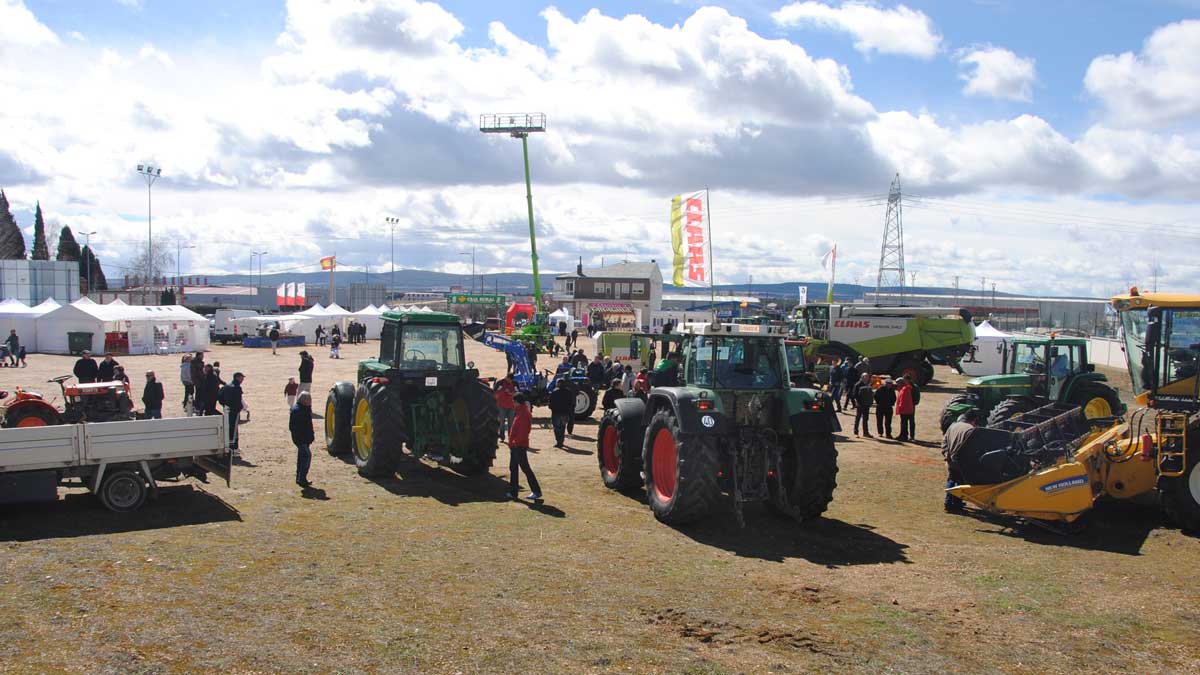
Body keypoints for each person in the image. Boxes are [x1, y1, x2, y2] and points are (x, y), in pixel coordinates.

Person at [942, 409, 979, 513]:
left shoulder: (953, 426)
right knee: (960, 482)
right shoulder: (971, 430)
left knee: (951, 480)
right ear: (973, 420)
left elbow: (944, 442)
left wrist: (946, 455)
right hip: (962, 461)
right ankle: (956, 504)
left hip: (950, 458)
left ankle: (948, 503)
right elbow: (971, 448)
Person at [505, 394, 541, 501]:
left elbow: (523, 431)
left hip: (519, 446)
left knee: (524, 468)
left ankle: (536, 491)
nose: (513, 404)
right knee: (513, 468)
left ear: (518, 402)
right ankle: (513, 492)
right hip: (516, 446)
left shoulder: (524, 414)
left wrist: (515, 442)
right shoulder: (520, 412)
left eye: (514, 402)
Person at [290, 390, 317, 487]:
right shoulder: (299, 411)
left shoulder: (303, 409)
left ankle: (299, 477)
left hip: (304, 439)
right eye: (309, 399)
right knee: (306, 456)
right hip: (301, 439)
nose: (311, 401)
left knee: (301, 457)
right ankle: (302, 478)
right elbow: (296, 427)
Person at [219, 372, 247, 454]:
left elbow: (220, 396)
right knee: (233, 429)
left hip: (227, 410)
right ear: (237, 378)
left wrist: (225, 405)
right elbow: (238, 401)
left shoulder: (227, 386)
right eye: (242, 378)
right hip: (234, 411)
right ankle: (233, 449)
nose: (242, 380)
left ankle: (233, 447)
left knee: (230, 427)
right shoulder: (236, 387)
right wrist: (239, 408)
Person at [548, 379, 575, 448]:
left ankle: (558, 441)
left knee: (557, 428)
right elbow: (571, 403)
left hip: (556, 413)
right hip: (565, 413)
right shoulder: (569, 392)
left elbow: (550, 403)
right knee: (562, 428)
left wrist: (552, 408)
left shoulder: (554, 392)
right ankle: (561, 441)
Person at [495, 375, 517, 440]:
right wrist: (504, 391)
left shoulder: (515, 383)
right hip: (501, 406)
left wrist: (511, 393)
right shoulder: (500, 383)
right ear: (507, 378)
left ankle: (510, 437)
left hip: (511, 406)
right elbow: (495, 393)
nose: (510, 381)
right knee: (501, 423)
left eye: (511, 380)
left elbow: (517, 393)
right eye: (509, 380)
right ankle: (502, 436)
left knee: (511, 423)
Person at [896, 376, 917, 442]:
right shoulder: (905, 387)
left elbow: (914, 398)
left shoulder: (910, 388)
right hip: (906, 407)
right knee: (903, 422)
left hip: (908, 407)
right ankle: (903, 435)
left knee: (909, 422)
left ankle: (910, 436)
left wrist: (912, 404)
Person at [853, 372, 874, 437]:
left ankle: (866, 432)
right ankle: (856, 432)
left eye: (867, 377)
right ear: (862, 377)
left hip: (866, 404)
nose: (866, 378)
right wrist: (858, 402)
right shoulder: (858, 384)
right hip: (860, 404)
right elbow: (854, 394)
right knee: (858, 418)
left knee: (865, 418)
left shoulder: (868, 384)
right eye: (865, 376)